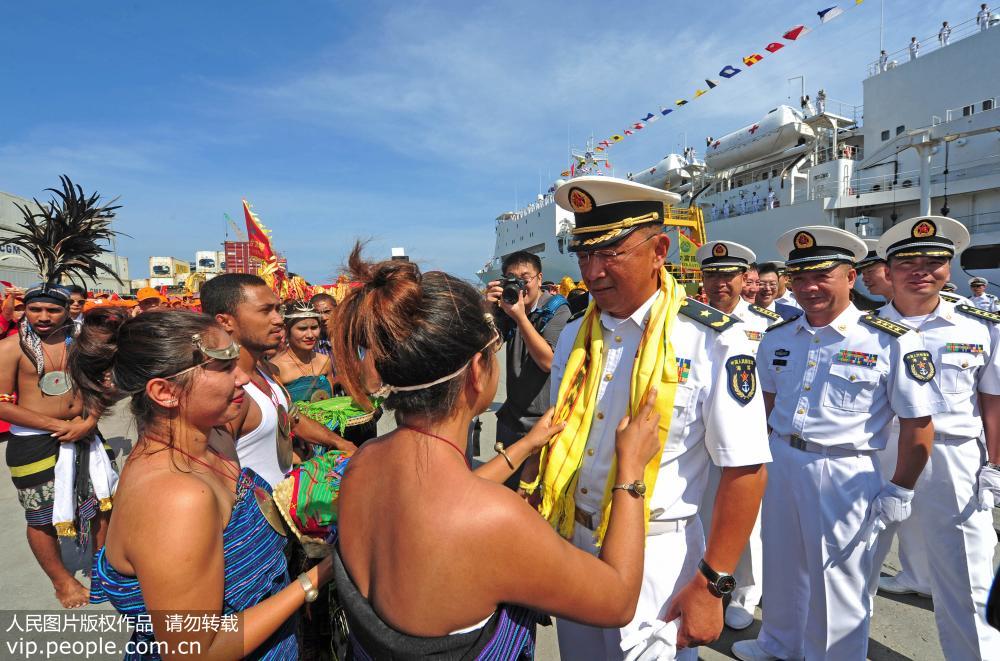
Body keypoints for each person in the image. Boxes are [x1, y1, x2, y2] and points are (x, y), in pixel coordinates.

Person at [331, 246, 662, 659]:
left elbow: (441, 500)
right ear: (476, 371)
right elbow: (618, 600)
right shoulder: (496, 519)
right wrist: (631, 473)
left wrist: (527, 445)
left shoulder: (364, 462)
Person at [539, 177, 769, 660]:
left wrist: (713, 584)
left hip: (657, 553)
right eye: (584, 255)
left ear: (660, 249)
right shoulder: (574, 339)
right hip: (573, 541)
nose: (593, 272)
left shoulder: (711, 340)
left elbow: (745, 470)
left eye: (610, 253)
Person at [732, 226, 945, 661]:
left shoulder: (889, 340)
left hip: (844, 470)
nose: (809, 288)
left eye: (822, 276)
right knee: (782, 564)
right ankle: (780, 643)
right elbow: (766, 407)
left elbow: (918, 423)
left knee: (838, 581)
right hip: (784, 460)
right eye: (800, 277)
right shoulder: (777, 338)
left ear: (850, 276)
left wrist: (901, 488)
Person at [73, 308, 326, 658]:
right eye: (224, 366)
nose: (242, 378)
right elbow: (195, 650)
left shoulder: (217, 437)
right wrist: (317, 578)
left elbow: (284, 422)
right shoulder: (175, 498)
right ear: (164, 392)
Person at [868, 216, 1000, 658]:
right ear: (889, 270)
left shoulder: (981, 325)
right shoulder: (862, 329)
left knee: (968, 578)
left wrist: (994, 466)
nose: (921, 270)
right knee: (851, 569)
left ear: (950, 266)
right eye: (908, 261)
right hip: (877, 454)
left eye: (935, 261)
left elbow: (993, 403)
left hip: (953, 459)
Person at [0, 285, 114, 608]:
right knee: (41, 516)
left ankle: (102, 570)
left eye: (52, 310)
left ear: (67, 310)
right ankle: (62, 581)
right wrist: (58, 426)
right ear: (26, 309)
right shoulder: (10, 349)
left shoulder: (83, 346)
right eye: (35, 309)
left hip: (84, 433)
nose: (43, 317)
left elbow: (104, 387)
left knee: (101, 505)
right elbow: (2, 405)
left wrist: (88, 422)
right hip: (32, 443)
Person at [200, 274, 355, 490]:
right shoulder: (226, 390)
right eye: (265, 311)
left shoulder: (265, 369)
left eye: (277, 309)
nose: (278, 320)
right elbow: (215, 478)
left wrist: (339, 443)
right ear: (225, 321)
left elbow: (291, 417)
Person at [695, 241, 776, 632]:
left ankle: (745, 592)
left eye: (727, 275)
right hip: (700, 439)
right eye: (711, 275)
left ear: (746, 278)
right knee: (703, 514)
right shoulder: (689, 322)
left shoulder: (766, 326)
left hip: (746, 437)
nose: (718, 284)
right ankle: (706, 581)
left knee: (747, 521)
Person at [485, 251, 570, 490]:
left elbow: (548, 362)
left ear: (539, 279)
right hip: (512, 419)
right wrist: (487, 309)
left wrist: (520, 318)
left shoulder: (557, 310)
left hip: (542, 423)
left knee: (535, 496)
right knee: (506, 491)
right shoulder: (507, 307)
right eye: (511, 279)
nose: (519, 286)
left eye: (525, 278)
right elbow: (487, 348)